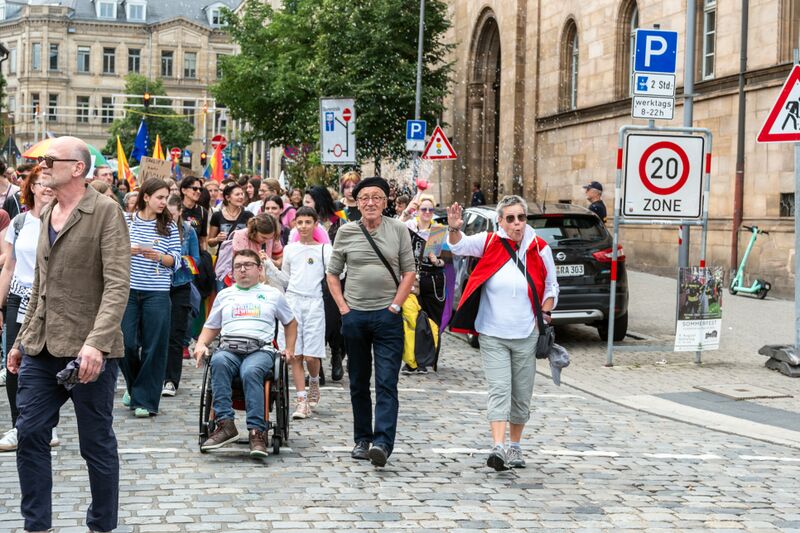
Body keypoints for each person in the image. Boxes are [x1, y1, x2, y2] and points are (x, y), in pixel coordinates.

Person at [6, 136, 130, 533]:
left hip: (89, 351)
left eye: (50, 160)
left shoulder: (106, 212)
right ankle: (36, 525)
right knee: (30, 434)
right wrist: (21, 341)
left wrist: (96, 343)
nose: (42, 165)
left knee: (95, 444)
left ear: (77, 168)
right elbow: (40, 285)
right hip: (41, 347)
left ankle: (101, 525)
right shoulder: (45, 214)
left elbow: (116, 285)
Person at [447, 195, 559, 471]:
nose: (516, 223)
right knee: (499, 390)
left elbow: (552, 288)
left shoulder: (539, 248)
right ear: (500, 221)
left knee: (521, 394)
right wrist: (453, 227)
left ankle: (516, 446)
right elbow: (459, 245)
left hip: (525, 334)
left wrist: (544, 313)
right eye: (510, 218)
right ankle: (497, 447)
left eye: (521, 217)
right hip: (492, 333)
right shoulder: (489, 242)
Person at [326, 176, 416, 468]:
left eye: (376, 197)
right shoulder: (346, 232)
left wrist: (394, 306)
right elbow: (333, 273)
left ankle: (382, 443)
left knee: (387, 382)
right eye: (364, 197)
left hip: (387, 316)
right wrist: (343, 308)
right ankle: (362, 439)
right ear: (357, 202)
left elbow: (408, 272)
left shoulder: (398, 229)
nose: (370, 203)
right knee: (359, 382)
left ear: (386, 201)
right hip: (355, 316)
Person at [195, 249, 298, 457]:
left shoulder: (272, 294)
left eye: (248, 265)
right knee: (218, 362)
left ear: (259, 269)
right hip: (229, 347)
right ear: (232, 271)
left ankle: (257, 431)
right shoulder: (225, 295)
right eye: (238, 266)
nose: (242, 269)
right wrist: (201, 344)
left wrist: (289, 349)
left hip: (260, 349)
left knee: (251, 371)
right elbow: (211, 325)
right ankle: (225, 424)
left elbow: (290, 322)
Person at [0, 168, 59, 452]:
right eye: (41, 183)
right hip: (18, 296)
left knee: (46, 362)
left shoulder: (61, 220)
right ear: (31, 187)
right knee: (14, 362)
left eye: (51, 183)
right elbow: (9, 266)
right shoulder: (20, 222)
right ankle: (18, 425)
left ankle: (47, 423)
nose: (47, 187)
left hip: (49, 300)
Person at [121, 178, 182, 417]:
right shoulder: (127, 222)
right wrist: (128, 249)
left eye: (166, 198)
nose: (163, 202)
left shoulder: (169, 225)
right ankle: (136, 387)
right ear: (146, 197)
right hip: (127, 290)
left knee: (154, 346)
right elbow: (111, 248)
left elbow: (177, 261)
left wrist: (158, 256)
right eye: (159, 197)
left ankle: (145, 401)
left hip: (157, 291)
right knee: (125, 344)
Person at [276, 207, 332, 419]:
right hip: (293, 301)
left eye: (308, 222)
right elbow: (285, 279)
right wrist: (269, 266)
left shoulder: (324, 249)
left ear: (315, 224)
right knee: (295, 354)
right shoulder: (290, 249)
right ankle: (301, 401)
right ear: (295, 225)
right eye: (300, 222)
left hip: (314, 303)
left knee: (311, 355)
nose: (304, 226)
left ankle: (314, 380)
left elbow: (333, 274)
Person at [400, 193, 448, 373]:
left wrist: (437, 261)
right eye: (424, 209)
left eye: (430, 209)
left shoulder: (438, 231)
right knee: (412, 319)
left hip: (434, 282)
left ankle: (427, 359)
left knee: (431, 321)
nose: (427, 212)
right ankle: (412, 360)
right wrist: (406, 212)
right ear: (418, 211)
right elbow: (392, 228)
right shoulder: (408, 228)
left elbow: (447, 262)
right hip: (412, 280)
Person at [163, 194, 200, 397]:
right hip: (157, 284)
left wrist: (175, 260)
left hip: (180, 284)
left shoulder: (188, 231)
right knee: (155, 334)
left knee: (175, 335)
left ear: (179, 212)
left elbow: (196, 262)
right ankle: (155, 376)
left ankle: (171, 380)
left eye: (172, 214)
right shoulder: (154, 228)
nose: (168, 217)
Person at [208, 183, 254, 247]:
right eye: (237, 194)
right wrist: (217, 239)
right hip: (224, 255)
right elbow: (210, 243)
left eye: (242, 194)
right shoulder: (217, 216)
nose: (241, 197)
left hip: (243, 255)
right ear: (227, 197)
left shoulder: (248, 215)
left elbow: (254, 238)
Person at [179, 176, 210, 250]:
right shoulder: (175, 209)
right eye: (195, 189)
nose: (198, 192)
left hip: (195, 256)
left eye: (200, 189)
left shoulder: (203, 211)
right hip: (177, 253)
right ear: (184, 190)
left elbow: (203, 239)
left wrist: (204, 256)